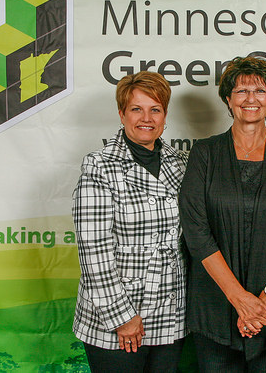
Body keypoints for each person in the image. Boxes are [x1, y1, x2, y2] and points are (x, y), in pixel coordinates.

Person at [179, 56, 266, 372]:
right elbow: (196, 231)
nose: (250, 98)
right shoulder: (204, 154)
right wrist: (240, 299)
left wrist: (265, 304)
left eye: (260, 90)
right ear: (228, 99)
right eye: (241, 90)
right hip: (216, 310)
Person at [72, 71, 188, 373]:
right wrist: (121, 316)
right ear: (122, 113)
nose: (146, 118)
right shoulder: (99, 166)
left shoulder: (180, 163)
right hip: (118, 316)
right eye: (136, 109)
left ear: (165, 115)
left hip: (169, 313)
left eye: (155, 109)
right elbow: (93, 252)